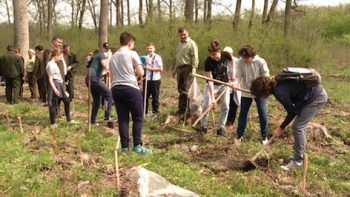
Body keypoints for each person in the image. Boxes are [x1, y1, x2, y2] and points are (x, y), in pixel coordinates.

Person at [250, 75, 328, 170]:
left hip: (315, 98)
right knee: (298, 125)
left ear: (263, 91)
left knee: (298, 127)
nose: (260, 97)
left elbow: (292, 112)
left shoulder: (280, 92)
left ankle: (297, 161)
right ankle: (297, 155)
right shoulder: (276, 84)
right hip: (308, 97)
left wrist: (280, 128)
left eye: (259, 94)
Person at [109, 32, 151, 154]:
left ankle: (125, 147)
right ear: (130, 42)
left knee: (123, 119)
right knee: (138, 117)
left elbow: (111, 74)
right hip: (130, 88)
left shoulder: (113, 56)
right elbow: (141, 73)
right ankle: (137, 146)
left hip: (116, 88)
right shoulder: (132, 53)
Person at [234, 45, 270, 145]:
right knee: (243, 113)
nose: (244, 59)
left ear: (252, 55)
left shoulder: (260, 61)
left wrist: (261, 86)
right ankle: (239, 135)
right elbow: (238, 76)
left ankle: (264, 135)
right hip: (246, 91)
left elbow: (266, 75)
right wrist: (235, 83)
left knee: (262, 112)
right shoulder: (240, 62)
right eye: (242, 57)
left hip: (260, 92)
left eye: (246, 57)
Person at [199, 41, 233, 136]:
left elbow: (232, 61)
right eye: (210, 54)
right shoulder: (208, 61)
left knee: (226, 106)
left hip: (224, 84)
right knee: (206, 106)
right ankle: (203, 127)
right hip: (212, 85)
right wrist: (213, 98)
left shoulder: (226, 55)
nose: (212, 56)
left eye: (214, 54)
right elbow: (210, 79)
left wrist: (233, 74)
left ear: (219, 51)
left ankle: (220, 129)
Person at [172, 27, 199, 119]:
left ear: (188, 33)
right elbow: (178, 58)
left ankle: (184, 110)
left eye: (184, 34)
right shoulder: (179, 44)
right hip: (180, 68)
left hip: (188, 68)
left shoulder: (191, 44)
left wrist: (194, 69)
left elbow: (194, 57)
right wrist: (175, 70)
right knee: (181, 89)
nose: (183, 36)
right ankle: (182, 109)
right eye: (181, 35)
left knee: (185, 90)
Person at [46, 49, 75, 127]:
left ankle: (69, 119)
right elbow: (50, 78)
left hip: (60, 84)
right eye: (60, 57)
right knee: (53, 103)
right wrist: (55, 89)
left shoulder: (55, 63)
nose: (60, 59)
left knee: (67, 100)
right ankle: (52, 123)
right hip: (55, 84)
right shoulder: (50, 64)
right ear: (56, 56)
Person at [87, 43, 113, 124]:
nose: (107, 50)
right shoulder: (101, 55)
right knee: (109, 93)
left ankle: (93, 121)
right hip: (93, 79)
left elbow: (101, 69)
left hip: (90, 79)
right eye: (106, 49)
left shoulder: (99, 56)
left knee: (97, 102)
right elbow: (105, 66)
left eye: (108, 49)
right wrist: (109, 57)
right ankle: (107, 116)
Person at [144, 42, 163, 119]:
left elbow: (161, 69)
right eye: (148, 48)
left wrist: (150, 69)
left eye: (151, 48)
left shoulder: (157, 57)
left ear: (154, 49)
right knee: (145, 96)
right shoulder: (147, 57)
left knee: (155, 97)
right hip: (147, 80)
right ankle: (144, 112)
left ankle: (155, 113)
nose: (149, 50)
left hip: (155, 80)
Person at [223, 46, 239, 130]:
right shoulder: (223, 61)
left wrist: (236, 83)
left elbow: (240, 75)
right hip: (226, 85)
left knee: (234, 104)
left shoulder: (237, 61)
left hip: (236, 85)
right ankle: (224, 120)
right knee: (226, 103)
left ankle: (230, 122)